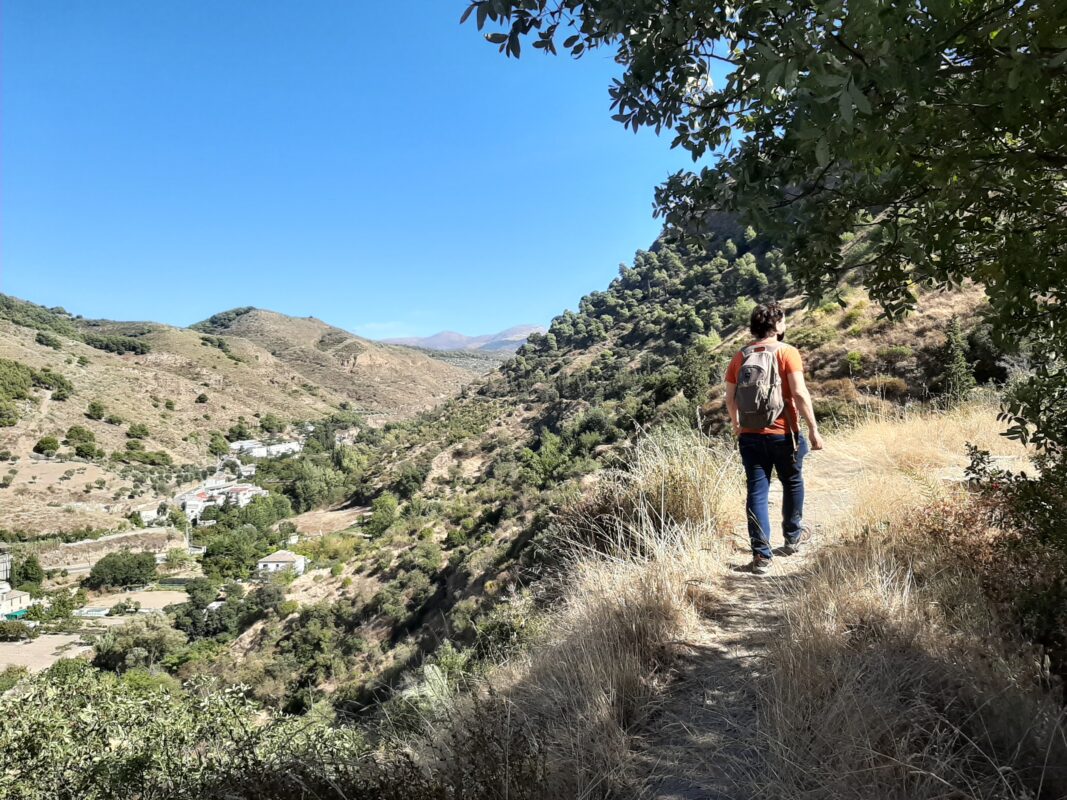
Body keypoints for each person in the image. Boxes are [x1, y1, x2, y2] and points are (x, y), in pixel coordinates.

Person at [724, 302, 823, 575]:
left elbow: (730, 398)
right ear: (777, 325)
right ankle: (792, 536)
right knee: (792, 482)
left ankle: (761, 556)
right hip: (784, 434)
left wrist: (737, 425)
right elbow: (800, 394)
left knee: (757, 491)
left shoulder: (740, 356)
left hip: (750, 436)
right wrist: (813, 429)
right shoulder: (787, 352)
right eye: (784, 321)